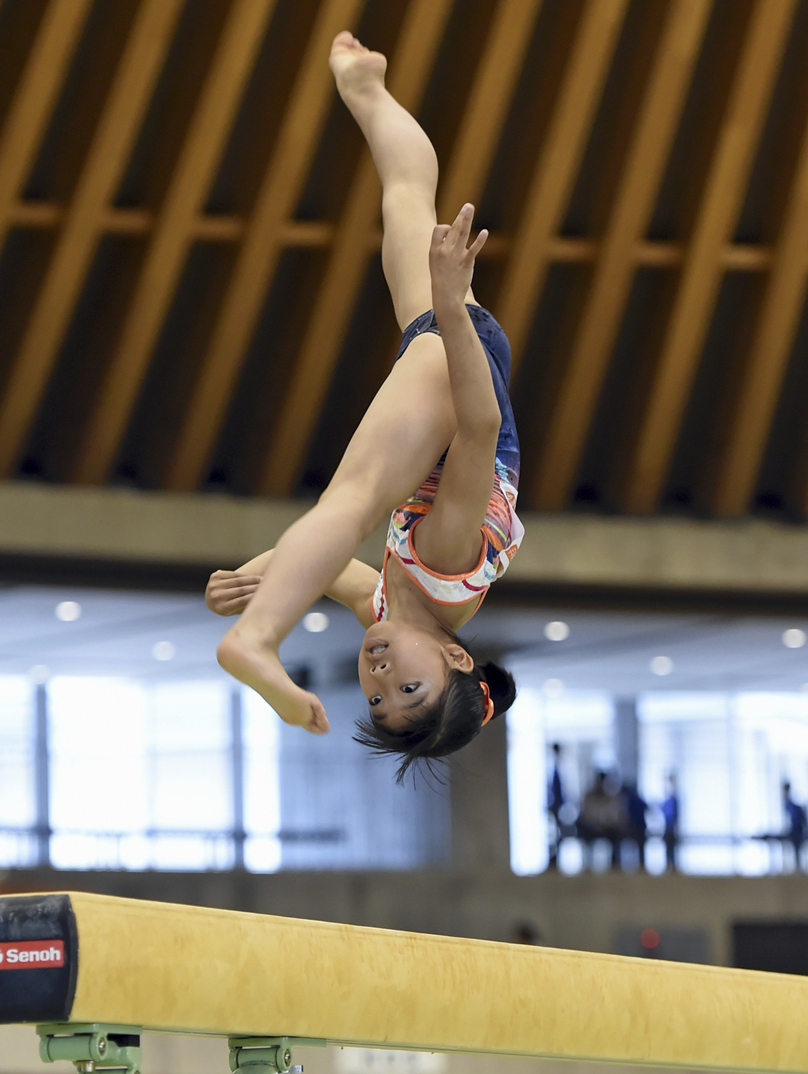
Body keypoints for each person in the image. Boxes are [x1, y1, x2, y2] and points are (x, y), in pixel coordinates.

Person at [207, 32, 523, 781]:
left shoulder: (391, 602)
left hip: (448, 358)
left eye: (377, 701)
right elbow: (481, 427)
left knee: (406, 203)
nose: (379, 679)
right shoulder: (449, 569)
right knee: (348, 500)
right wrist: (451, 311)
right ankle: (256, 641)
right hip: (460, 376)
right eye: (408, 687)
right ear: (454, 655)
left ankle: (366, 91)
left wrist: (259, 570)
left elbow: (337, 573)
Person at [782, 781, 806, 872]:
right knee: (796, 848)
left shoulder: (790, 803)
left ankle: (798, 867)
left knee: (797, 848)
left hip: (797, 829)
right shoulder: (787, 802)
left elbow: (796, 816)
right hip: (796, 828)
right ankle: (797, 866)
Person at [661, 773, 679, 872]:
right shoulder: (666, 800)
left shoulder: (674, 800)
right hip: (667, 828)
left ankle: (672, 866)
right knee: (668, 849)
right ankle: (669, 865)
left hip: (672, 829)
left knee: (671, 849)